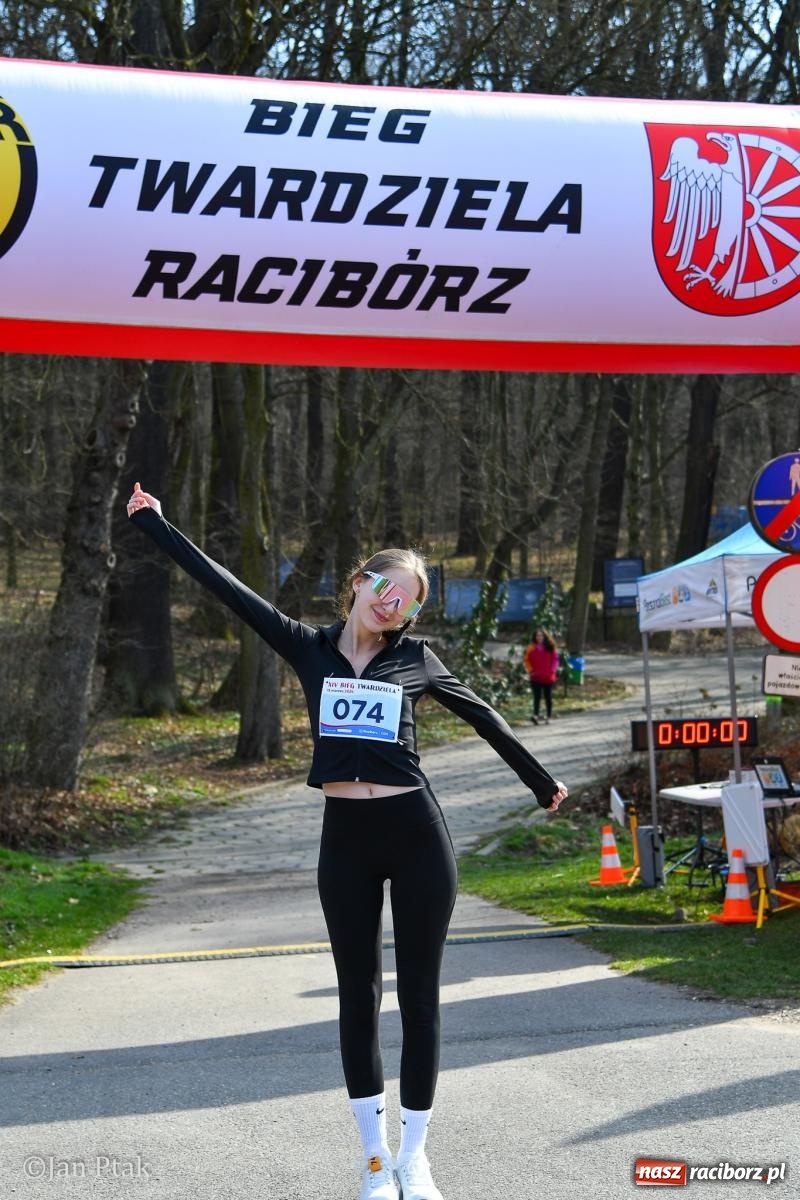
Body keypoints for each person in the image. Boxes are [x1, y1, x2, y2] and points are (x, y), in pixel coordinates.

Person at [126, 482, 567, 1200]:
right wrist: (158, 527)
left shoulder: (416, 660)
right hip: (346, 839)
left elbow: (485, 716)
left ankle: (416, 1159)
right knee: (357, 997)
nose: (395, 603)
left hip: (416, 832)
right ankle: (373, 1158)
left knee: (419, 1001)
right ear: (361, 584)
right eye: (388, 588)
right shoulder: (309, 648)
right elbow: (232, 592)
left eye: (410, 599)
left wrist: (541, 783)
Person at [523, 628, 559, 725]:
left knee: (548, 697)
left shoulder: (551, 647)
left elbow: (555, 660)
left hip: (548, 677)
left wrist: (552, 670)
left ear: (545, 636)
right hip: (535, 677)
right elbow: (526, 660)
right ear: (535, 637)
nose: (539, 637)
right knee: (537, 696)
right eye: (537, 635)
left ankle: (548, 715)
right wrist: (530, 670)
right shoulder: (531, 647)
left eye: (541, 635)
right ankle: (535, 715)